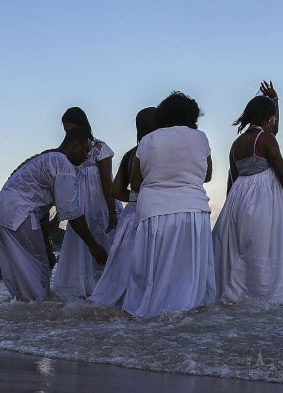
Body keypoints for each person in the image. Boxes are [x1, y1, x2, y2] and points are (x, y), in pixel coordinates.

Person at [121, 91, 215, 318]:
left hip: (155, 210)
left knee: (153, 269)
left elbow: (135, 182)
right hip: (193, 210)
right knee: (188, 271)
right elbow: (208, 175)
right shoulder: (200, 138)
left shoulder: (148, 140)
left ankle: (152, 312)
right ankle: (184, 312)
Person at [213, 91, 283, 304]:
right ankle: (265, 300)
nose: (274, 121)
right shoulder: (265, 138)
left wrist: (230, 209)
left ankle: (239, 299)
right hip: (263, 200)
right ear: (269, 117)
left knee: (243, 252)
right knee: (267, 251)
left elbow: (232, 179)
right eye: (273, 116)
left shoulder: (236, 144)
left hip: (237, 200)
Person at [0, 127, 107, 302]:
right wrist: (94, 246)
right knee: (38, 271)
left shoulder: (46, 158)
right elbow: (72, 214)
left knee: (20, 274)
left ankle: (19, 314)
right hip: (19, 214)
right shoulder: (64, 164)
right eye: (85, 150)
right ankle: (39, 316)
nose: (86, 157)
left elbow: (58, 214)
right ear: (74, 145)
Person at [89, 107, 158, 309]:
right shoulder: (157, 152)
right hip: (151, 212)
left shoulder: (130, 155)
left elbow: (116, 190)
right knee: (148, 264)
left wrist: (135, 197)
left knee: (127, 264)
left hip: (131, 214)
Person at [52, 106, 118, 298]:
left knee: (106, 238)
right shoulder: (67, 151)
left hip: (100, 201)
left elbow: (107, 181)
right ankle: (84, 289)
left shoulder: (100, 148)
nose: (69, 134)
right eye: (66, 132)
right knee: (81, 242)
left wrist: (112, 211)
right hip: (78, 201)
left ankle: (108, 287)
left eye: (71, 130)